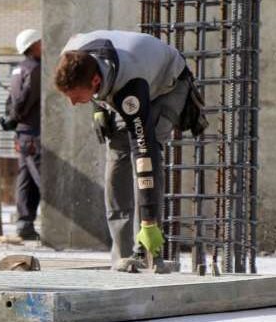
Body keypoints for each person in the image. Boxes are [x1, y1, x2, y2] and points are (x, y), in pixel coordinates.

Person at [53, 30, 205, 272]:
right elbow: (92, 79)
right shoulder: (72, 55)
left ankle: (148, 251)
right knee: (116, 160)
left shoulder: (129, 86)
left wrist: (149, 221)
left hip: (166, 86)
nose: (72, 104)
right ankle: (124, 258)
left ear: (94, 82)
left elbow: (144, 154)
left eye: (75, 97)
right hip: (119, 81)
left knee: (146, 150)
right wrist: (98, 107)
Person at [1, 29, 42, 240]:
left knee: (26, 178)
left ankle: (25, 224)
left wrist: (10, 118)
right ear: (33, 46)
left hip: (23, 133)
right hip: (33, 132)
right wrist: (15, 116)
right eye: (41, 42)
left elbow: (12, 99)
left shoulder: (18, 69)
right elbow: (24, 99)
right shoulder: (35, 69)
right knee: (42, 178)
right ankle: (57, 224)